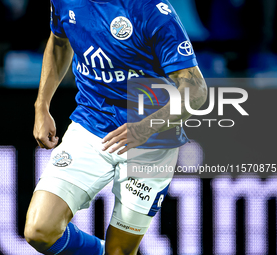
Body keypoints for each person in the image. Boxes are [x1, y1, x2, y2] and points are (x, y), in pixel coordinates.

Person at [24, 0, 207, 254]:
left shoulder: (152, 10)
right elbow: (58, 40)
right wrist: (41, 105)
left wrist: (144, 128)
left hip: (151, 141)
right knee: (38, 231)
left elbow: (196, 89)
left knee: (120, 251)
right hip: (91, 124)